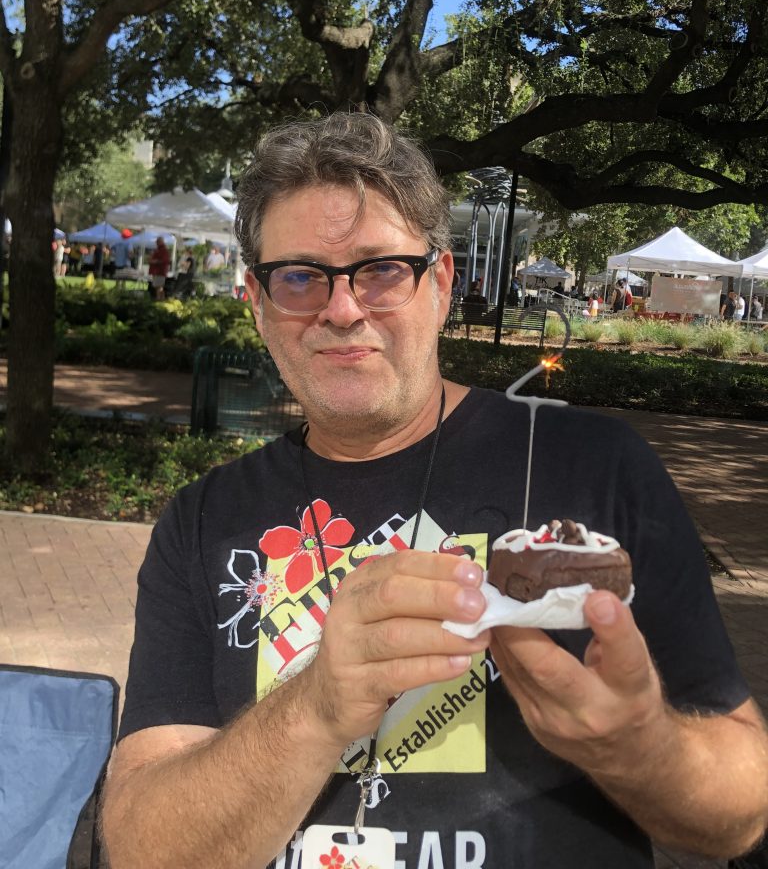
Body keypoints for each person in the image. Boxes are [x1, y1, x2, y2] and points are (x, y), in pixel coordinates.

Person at [102, 112, 768, 869]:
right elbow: (138, 850)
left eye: (381, 270)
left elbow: (743, 814)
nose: (343, 310)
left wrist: (643, 749)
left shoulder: (596, 469)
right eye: (299, 277)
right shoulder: (204, 522)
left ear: (442, 284)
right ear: (257, 303)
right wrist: (318, 707)